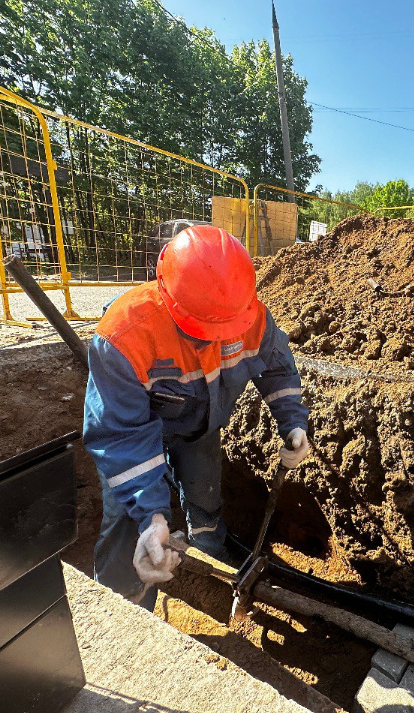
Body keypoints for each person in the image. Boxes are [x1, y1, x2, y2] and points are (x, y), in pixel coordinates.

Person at [83, 225, 309, 609]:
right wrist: (152, 519)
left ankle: (209, 570)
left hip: (199, 428)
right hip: (134, 436)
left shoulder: (250, 316)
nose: (216, 340)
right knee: (125, 520)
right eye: (204, 330)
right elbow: (121, 436)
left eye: (226, 329)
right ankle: (125, 604)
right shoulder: (125, 335)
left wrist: (293, 421)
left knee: (206, 502)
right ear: (168, 298)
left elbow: (276, 366)